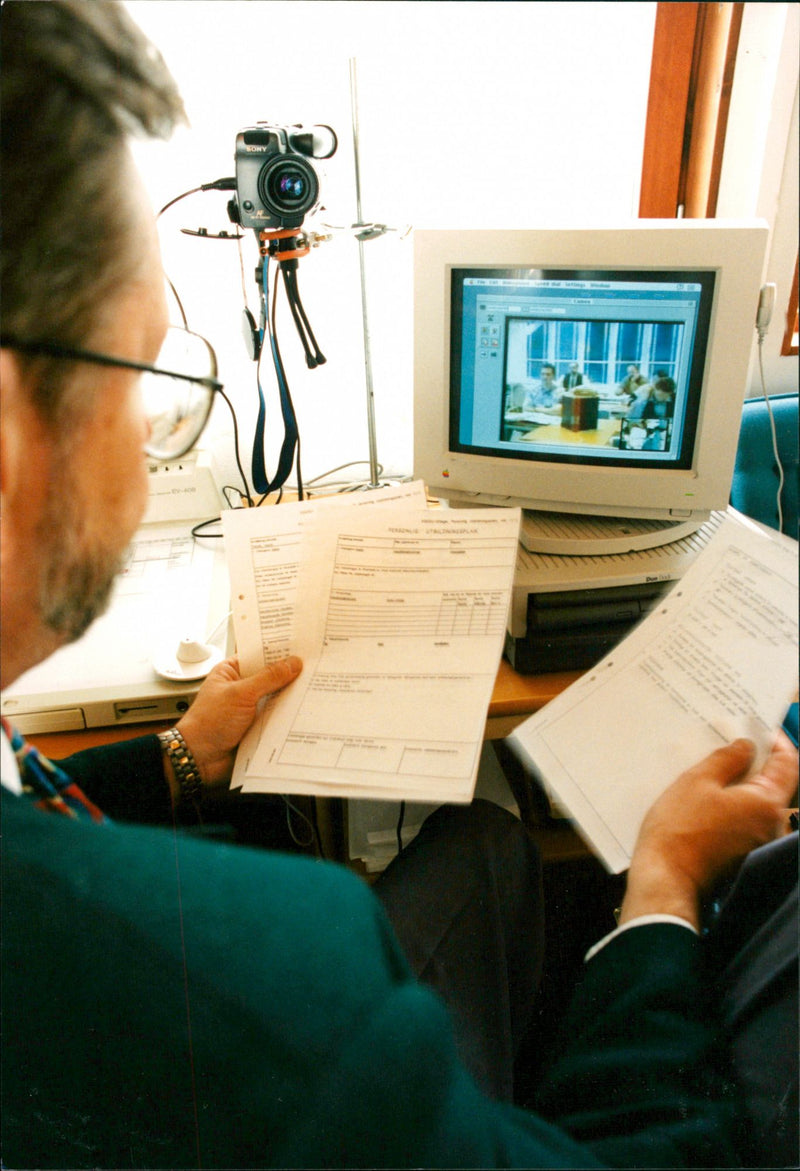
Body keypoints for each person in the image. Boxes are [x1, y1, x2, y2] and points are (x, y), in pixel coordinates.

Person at [1, 4, 797, 1168]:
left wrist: (183, 755)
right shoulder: (282, 989)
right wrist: (663, 887)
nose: (144, 437)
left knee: (484, 841)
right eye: (143, 370)